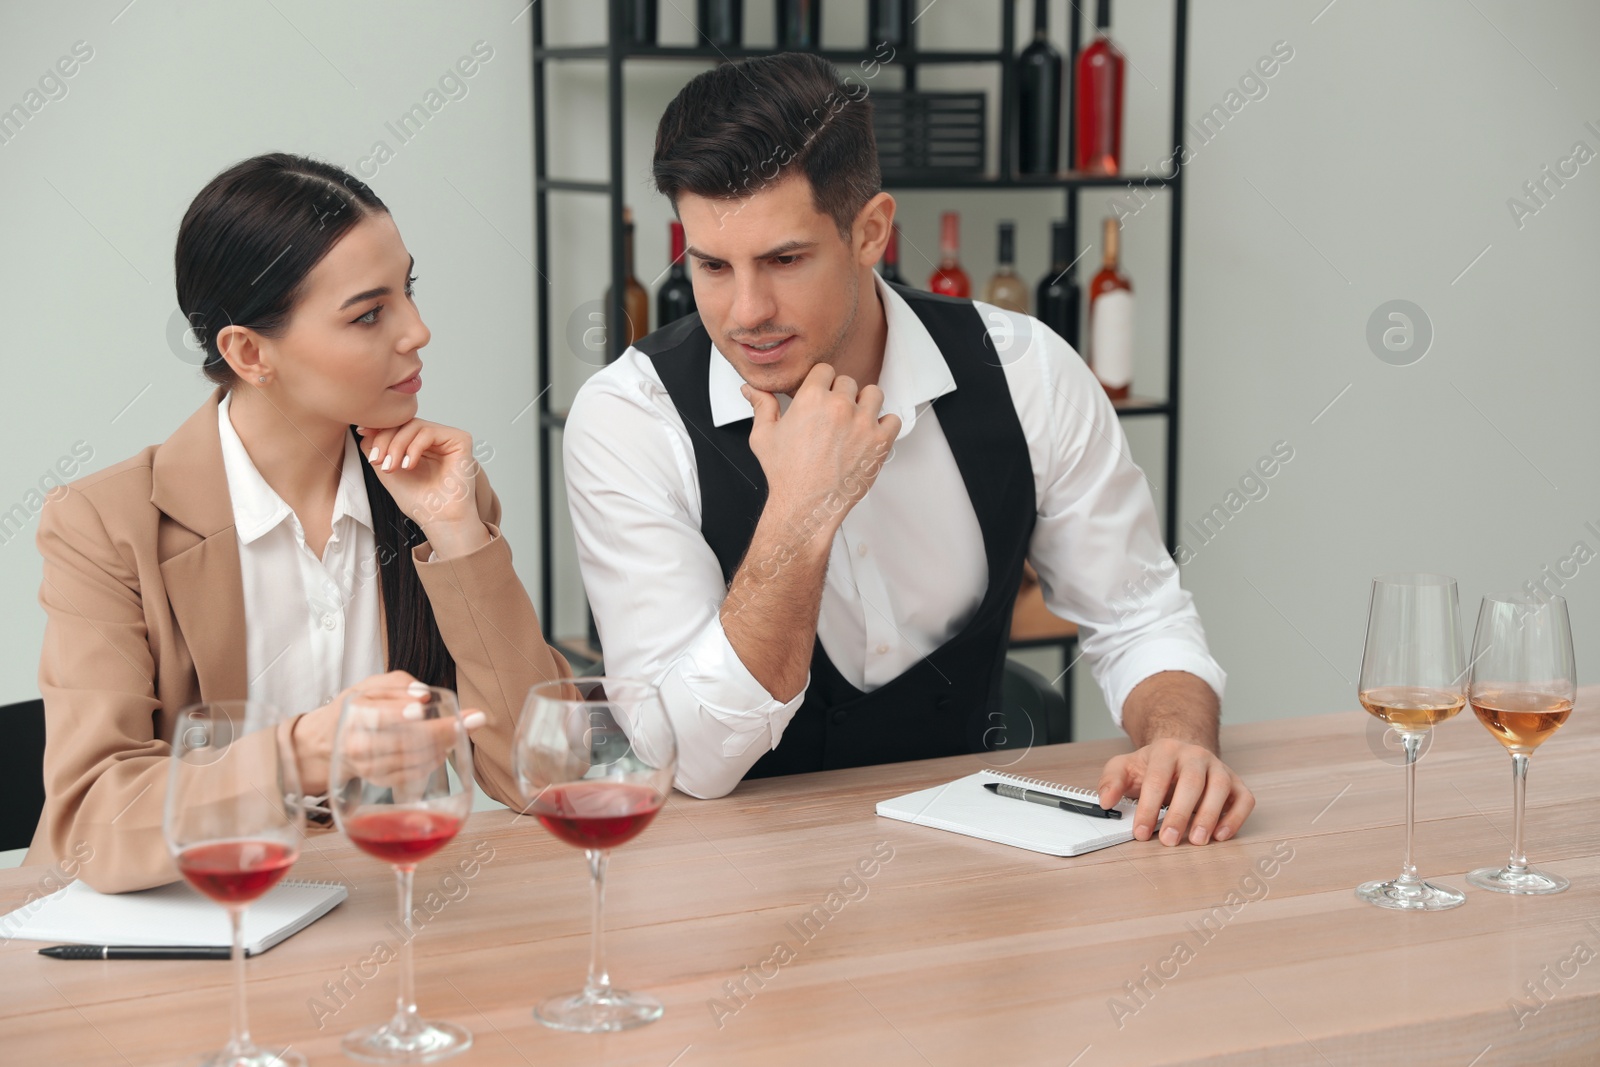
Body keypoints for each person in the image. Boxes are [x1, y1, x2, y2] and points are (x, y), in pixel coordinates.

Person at [564, 55, 1254, 846]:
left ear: (871, 231)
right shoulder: (629, 419)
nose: (746, 311)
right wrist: (800, 513)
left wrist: (1180, 739)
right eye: (713, 266)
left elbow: (1138, 617)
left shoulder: (1029, 373)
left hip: (980, 875)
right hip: (728, 881)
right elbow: (688, 757)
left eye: (785, 260)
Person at [26, 153, 570, 893]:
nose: (418, 331)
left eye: (407, 290)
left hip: (387, 920)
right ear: (249, 353)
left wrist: (459, 537)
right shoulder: (105, 525)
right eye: (369, 313)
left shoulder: (435, 494)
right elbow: (90, 827)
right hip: (184, 951)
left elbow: (544, 775)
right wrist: (299, 755)